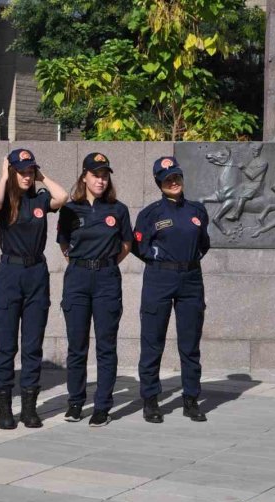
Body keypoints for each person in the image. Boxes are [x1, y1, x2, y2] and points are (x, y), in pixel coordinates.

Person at [0, 148, 69, 429]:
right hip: (10, 274)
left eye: (29, 171)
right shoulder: (7, 202)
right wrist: (3, 176)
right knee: (6, 347)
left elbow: (63, 197)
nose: (26, 176)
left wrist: (43, 176)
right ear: (12, 172)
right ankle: (5, 408)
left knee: (32, 346)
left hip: (36, 274)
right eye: (21, 171)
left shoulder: (40, 199)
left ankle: (29, 408)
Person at [132, 157, 210, 424]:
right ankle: (151, 400)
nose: (173, 182)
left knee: (190, 343)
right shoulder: (150, 214)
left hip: (190, 278)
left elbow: (204, 244)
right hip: (160, 278)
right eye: (167, 179)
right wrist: (160, 261)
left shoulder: (197, 211)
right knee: (153, 342)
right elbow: (138, 246)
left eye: (176, 176)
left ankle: (191, 399)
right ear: (159, 183)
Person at [57, 153, 132, 427]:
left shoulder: (118, 209)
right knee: (77, 346)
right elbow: (64, 245)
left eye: (105, 175)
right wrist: (83, 264)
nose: (101, 180)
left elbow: (126, 245)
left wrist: (104, 264)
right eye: (96, 175)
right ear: (84, 176)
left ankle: (102, 406)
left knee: (106, 345)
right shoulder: (70, 209)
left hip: (106, 278)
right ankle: (75, 403)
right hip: (77, 278)